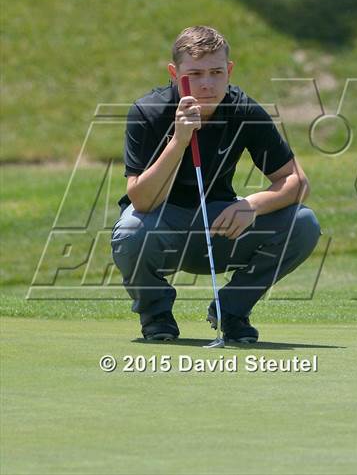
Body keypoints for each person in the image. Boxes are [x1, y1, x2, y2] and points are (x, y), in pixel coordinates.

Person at [111, 26, 321, 343]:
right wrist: (178, 142)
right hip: (161, 227)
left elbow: (296, 182)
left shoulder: (243, 109)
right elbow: (141, 200)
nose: (207, 83)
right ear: (174, 72)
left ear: (229, 71)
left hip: (219, 226)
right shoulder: (149, 112)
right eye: (194, 73)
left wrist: (251, 205)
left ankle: (231, 311)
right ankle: (156, 315)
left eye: (216, 72)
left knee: (303, 222)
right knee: (129, 231)